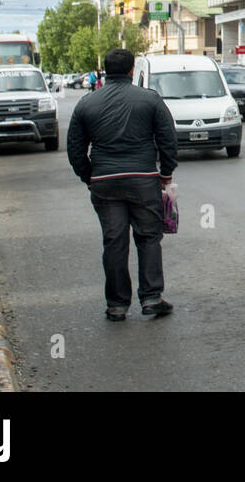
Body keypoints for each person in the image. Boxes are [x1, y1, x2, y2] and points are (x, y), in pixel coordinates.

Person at [67, 49, 178, 321]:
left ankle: (117, 305)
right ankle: (152, 297)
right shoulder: (149, 99)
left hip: (104, 181)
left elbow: (74, 148)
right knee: (149, 237)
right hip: (142, 179)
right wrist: (166, 172)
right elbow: (168, 138)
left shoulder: (86, 103)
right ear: (131, 71)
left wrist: (90, 177)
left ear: (104, 70)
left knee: (114, 241)